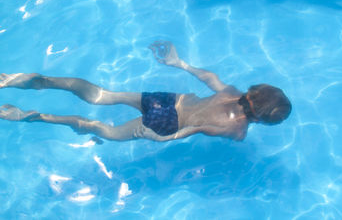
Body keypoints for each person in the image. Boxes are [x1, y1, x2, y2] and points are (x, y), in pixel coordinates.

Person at [0, 41, 291, 142]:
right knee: (104, 131)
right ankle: (33, 116)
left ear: (254, 93)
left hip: (170, 100)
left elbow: (209, 77)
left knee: (106, 95)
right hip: (167, 123)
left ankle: (41, 81)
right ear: (264, 119)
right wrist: (163, 138)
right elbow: (196, 129)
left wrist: (180, 63)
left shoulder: (231, 91)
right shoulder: (236, 129)